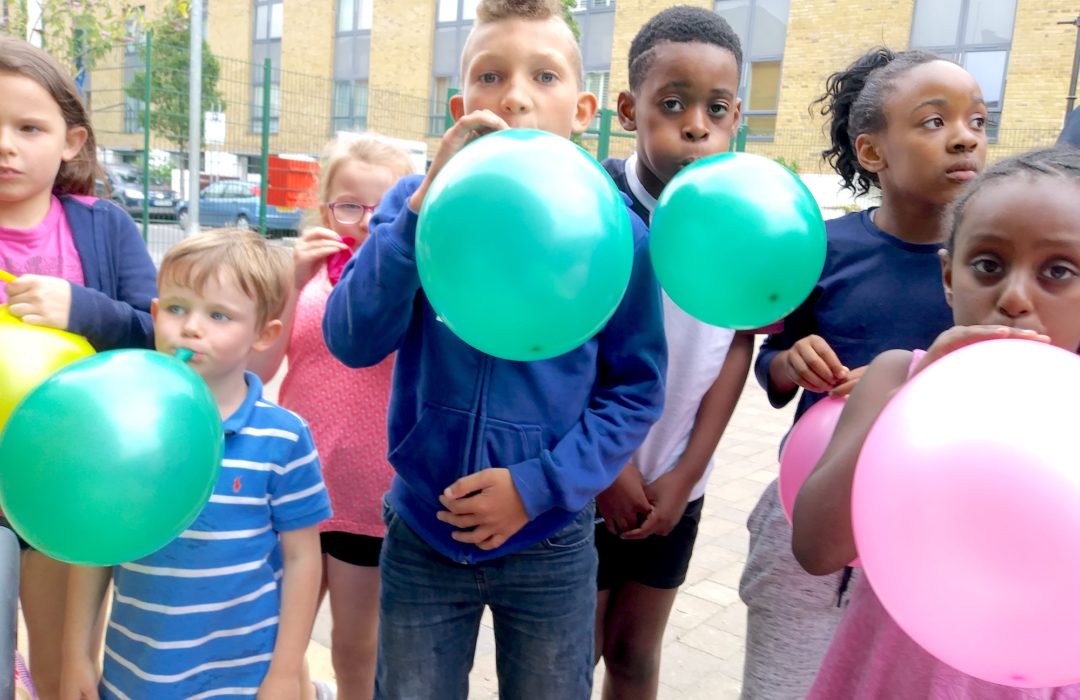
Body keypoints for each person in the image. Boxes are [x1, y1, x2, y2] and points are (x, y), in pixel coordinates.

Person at [322, 0, 667, 697]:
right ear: (459, 104)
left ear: (583, 108)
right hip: (424, 525)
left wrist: (535, 488)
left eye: (543, 76)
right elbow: (351, 338)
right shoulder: (415, 206)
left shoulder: (617, 234)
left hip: (549, 540)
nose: (513, 96)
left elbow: (634, 391)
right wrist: (419, 210)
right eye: (489, 77)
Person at [738, 47, 989, 699]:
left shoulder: (993, 269)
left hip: (938, 534)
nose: (963, 136)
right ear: (872, 152)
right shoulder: (823, 248)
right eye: (934, 122)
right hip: (811, 516)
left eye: (978, 121)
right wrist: (793, 362)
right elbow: (774, 356)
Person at [793, 146, 1080, 698]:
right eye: (989, 265)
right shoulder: (896, 376)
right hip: (894, 678)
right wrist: (911, 402)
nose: (1016, 297)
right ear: (949, 277)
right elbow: (815, 548)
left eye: (1058, 272)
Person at [60, 229, 332, 699]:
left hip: (244, 676)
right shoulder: (123, 427)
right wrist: (76, 656)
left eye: (219, 315)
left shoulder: (283, 437)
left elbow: (302, 559)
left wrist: (287, 670)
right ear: (155, 313)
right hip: (135, 673)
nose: (191, 328)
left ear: (264, 334)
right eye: (177, 308)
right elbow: (96, 549)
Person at [591, 8, 751, 700]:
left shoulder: (741, 222)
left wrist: (686, 474)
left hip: (678, 483)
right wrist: (609, 468)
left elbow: (738, 345)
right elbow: (565, 345)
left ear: (737, 115)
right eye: (673, 104)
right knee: (577, 651)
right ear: (630, 109)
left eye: (715, 109)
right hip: (585, 476)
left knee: (634, 650)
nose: (695, 126)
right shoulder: (591, 205)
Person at [0, 36, 157, 699]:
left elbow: (156, 335)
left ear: (72, 140)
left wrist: (81, 308)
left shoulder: (105, 227)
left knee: (70, 674)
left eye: (28, 127)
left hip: (68, 487)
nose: (5, 144)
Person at [250, 133, 414, 700]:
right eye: (350, 205)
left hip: (368, 496)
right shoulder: (306, 279)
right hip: (293, 487)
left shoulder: (413, 283)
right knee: (275, 636)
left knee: (355, 643)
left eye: (383, 207)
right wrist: (289, 284)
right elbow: (260, 368)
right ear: (325, 209)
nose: (366, 222)